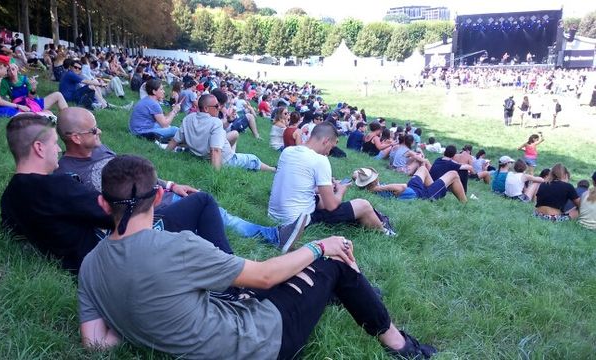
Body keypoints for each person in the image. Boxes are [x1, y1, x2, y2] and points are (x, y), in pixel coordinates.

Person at [76, 154, 437, 359]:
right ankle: (400, 345)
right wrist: (319, 246)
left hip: (223, 324)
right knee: (333, 260)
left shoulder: (91, 265)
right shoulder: (177, 246)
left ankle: (341, 296)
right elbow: (264, 277)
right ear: (158, 198)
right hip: (259, 343)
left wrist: (135, 315)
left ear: (103, 203)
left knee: (295, 272)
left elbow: (94, 344)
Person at [0, 112, 296, 275]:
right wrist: (153, 202)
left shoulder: (11, 196)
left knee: (193, 207)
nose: (57, 149)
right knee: (202, 202)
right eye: (53, 144)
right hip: (115, 251)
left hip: (96, 252)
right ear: (38, 148)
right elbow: (113, 215)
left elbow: (13, 232)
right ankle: (236, 276)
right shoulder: (60, 183)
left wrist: (164, 187)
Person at [54, 107, 308, 253]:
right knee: (209, 210)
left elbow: (134, 172)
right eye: (92, 130)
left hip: (155, 199)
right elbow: (94, 213)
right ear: (75, 138)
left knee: (208, 206)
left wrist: (171, 185)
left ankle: (269, 237)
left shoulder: (101, 149)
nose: (99, 132)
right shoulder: (68, 173)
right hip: (142, 218)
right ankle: (270, 239)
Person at [268, 123, 395, 235]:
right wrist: (341, 190)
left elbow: (298, 185)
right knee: (363, 205)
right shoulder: (320, 160)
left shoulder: (288, 151)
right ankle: (386, 233)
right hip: (297, 222)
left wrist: (327, 187)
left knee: (322, 198)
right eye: (331, 147)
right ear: (326, 141)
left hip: (275, 215)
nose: (329, 153)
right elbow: (332, 206)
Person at [167, 94, 275, 172]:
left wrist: (166, 152)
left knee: (234, 134)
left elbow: (175, 140)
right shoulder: (215, 122)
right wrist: (216, 174)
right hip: (223, 159)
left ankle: (233, 153)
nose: (218, 108)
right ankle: (274, 169)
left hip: (202, 153)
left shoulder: (188, 118)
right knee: (253, 159)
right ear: (206, 108)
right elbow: (215, 150)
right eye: (216, 106)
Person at [354, 165, 467, 203]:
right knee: (454, 174)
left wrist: (358, 177)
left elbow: (355, 175)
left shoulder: (368, 187)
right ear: (373, 181)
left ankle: (437, 191)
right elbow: (402, 187)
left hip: (413, 188)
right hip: (421, 195)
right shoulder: (378, 189)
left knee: (423, 168)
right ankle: (465, 203)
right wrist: (378, 188)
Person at [0, 63, 67, 113]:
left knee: (58, 95)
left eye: (13, 69)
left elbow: (32, 97)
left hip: (33, 103)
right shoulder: (5, 82)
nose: (11, 72)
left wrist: (33, 88)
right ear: (6, 72)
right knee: (48, 113)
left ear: (17, 69)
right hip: (20, 107)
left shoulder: (25, 79)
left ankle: (67, 115)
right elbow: (2, 98)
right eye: (8, 70)